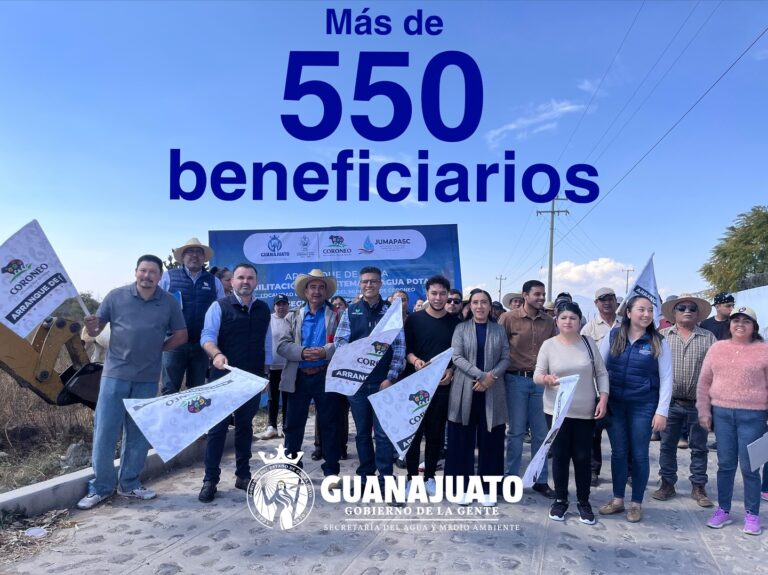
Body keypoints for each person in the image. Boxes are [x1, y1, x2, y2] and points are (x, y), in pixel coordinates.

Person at [77, 255, 187, 510]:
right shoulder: (116, 296)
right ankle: (101, 487)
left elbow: (181, 335)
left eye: (152, 273)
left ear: (160, 276)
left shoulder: (168, 302)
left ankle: (129, 484)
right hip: (114, 375)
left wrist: (157, 349)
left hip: (148, 379)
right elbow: (95, 332)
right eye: (143, 271)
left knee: (137, 434)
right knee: (105, 431)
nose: (147, 276)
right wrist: (92, 326)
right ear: (135, 272)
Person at [198, 263, 271, 503]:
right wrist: (216, 354)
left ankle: (243, 475)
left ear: (255, 282)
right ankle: (210, 479)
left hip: (251, 379)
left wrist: (266, 375)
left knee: (245, 427)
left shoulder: (262, 309)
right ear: (232, 282)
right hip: (224, 378)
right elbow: (207, 337)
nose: (245, 281)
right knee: (217, 429)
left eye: (250, 278)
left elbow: (267, 344)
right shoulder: (218, 307)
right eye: (240, 277)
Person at [598, 295, 672, 522]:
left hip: (643, 405)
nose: (647, 314)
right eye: (641, 309)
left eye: (650, 310)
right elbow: (599, 369)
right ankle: (618, 499)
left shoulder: (659, 341)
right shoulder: (613, 336)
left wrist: (662, 411)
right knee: (619, 452)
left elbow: (667, 378)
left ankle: (636, 503)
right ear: (628, 312)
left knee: (639, 454)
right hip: (615, 405)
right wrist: (600, 398)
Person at [534, 302, 609, 524]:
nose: (568, 322)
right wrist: (545, 379)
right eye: (564, 317)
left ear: (580, 321)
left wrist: (603, 397)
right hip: (556, 411)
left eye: (573, 318)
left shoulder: (588, 344)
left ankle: (584, 502)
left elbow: (601, 373)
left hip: (585, 411)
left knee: (583, 458)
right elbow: (538, 374)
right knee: (560, 456)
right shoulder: (549, 345)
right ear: (556, 320)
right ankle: (560, 499)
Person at [335, 266, 405, 497]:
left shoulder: (390, 311)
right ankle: (366, 477)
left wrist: (391, 377)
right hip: (357, 384)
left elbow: (399, 347)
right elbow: (340, 342)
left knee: (383, 435)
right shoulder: (351, 310)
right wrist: (356, 358)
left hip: (382, 383)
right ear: (360, 284)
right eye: (365, 281)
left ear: (380, 284)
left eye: (373, 282)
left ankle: (386, 481)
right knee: (363, 433)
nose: (369, 285)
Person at [698, 306, 768, 536]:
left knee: (750, 467)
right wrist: (704, 411)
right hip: (723, 414)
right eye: (736, 319)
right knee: (725, 465)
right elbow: (704, 382)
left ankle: (752, 514)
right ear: (729, 324)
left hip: (754, 415)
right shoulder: (717, 348)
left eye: (746, 321)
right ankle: (723, 509)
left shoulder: (764, 350)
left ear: (754, 327)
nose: (740, 324)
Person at [278, 269, 343, 484]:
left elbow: (345, 342)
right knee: (293, 425)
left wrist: (326, 351)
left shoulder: (336, 314)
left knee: (330, 425)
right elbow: (282, 345)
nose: (317, 291)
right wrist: (302, 352)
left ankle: (331, 472)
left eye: (321, 287)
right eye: (312, 287)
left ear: (326, 291)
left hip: (326, 375)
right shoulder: (293, 316)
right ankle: (292, 469)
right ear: (305, 292)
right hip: (299, 376)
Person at [446, 288, 509, 506]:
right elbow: (456, 357)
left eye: (484, 302)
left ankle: (487, 488)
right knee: (461, 439)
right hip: (465, 389)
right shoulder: (460, 328)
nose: (479, 306)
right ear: (469, 306)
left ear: (490, 306)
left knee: (491, 438)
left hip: (493, 389)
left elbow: (505, 358)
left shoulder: (499, 330)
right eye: (475, 302)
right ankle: (460, 487)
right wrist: (482, 376)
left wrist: (491, 377)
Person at [654, 294, 716, 507]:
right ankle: (667, 484)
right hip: (669, 403)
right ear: (674, 313)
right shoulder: (661, 336)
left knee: (699, 447)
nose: (687, 310)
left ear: (698, 314)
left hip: (699, 404)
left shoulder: (708, 338)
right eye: (682, 307)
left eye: (691, 307)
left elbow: (716, 371)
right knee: (667, 446)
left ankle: (698, 486)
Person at [498, 280, 557, 498]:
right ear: (525, 295)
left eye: (543, 295)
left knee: (541, 434)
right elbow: (500, 348)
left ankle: (540, 480)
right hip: (515, 381)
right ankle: (511, 479)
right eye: (537, 294)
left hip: (541, 383)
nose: (541, 298)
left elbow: (555, 350)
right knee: (515, 433)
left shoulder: (549, 321)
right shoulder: (508, 318)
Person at [403, 276, 460, 496]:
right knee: (414, 434)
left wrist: (451, 370)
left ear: (448, 295)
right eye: (434, 293)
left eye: (442, 294)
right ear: (427, 293)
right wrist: (415, 360)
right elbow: (405, 350)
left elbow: (460, 355)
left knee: (435, 434)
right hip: (415, 386)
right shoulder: (414, 320)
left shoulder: (456, 324)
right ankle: (410, 478)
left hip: (442, 387)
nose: (438, 298)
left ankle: (429, 478)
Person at [159, 238, 225, 395]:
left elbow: (221, 312)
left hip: (201, 346)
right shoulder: (168, 277)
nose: (194, 255)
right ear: (182, 257)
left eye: (198, 252)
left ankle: (192, 420)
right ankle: (170, 420)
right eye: (190, 252)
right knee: (169, 389)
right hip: (173, 344)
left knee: (197, 392)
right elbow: (156, 308)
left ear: (204, 258)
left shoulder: (214, 282)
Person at [581, 287, 621, 488]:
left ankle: (627, 470)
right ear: (596, 303)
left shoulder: (627, 324)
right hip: (596, 388)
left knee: (622, 432)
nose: (607, 302)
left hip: (623, 387)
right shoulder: (589, 329)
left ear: (616, 301)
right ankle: (593, 470)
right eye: (602, 299)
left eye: (610, 298)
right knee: (593, 434)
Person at [258, 294, 290, 440]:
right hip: (272, 366)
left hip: (289, 365)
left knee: (288, 397)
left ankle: (286, 426)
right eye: (278, 304)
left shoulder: (292, 319)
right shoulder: (268, 319)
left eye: (284, 304)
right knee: (273, 397)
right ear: (274, 306)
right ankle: (272, 426)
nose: (281, 307)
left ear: (288, 306)